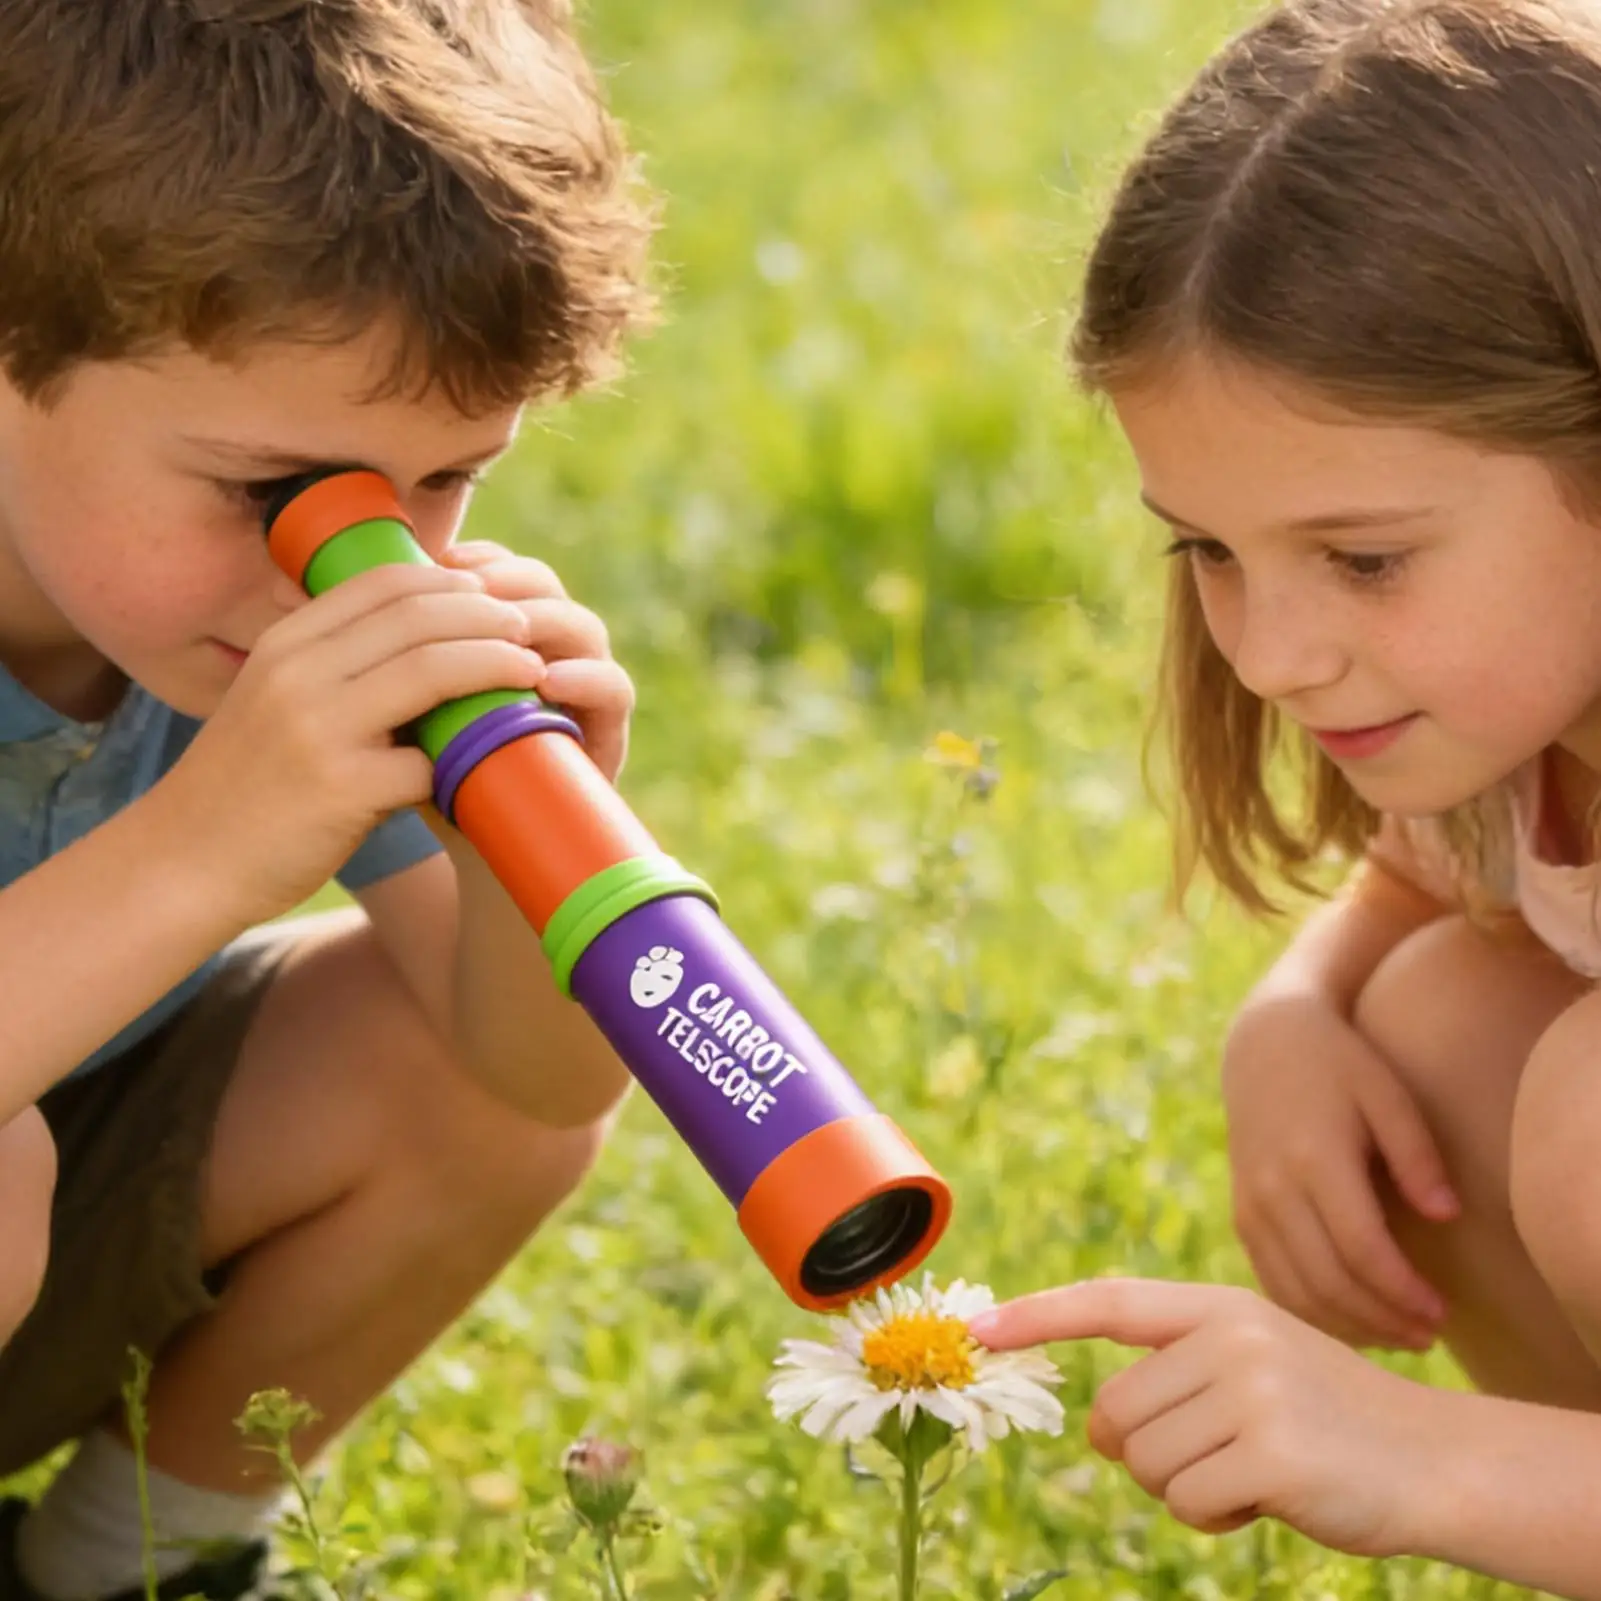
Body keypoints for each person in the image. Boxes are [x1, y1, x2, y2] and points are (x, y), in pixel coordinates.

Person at [0, 2, 654, 1597]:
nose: (364, 563)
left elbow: (540, 1088)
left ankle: (119, 1573)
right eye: (269, 492)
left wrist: (524, 849)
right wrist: (203, 847)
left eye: (447, 478)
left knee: (452, 1059)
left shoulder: (238, 616)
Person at [967, 0, 1601, 1595]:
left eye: (1365, 560)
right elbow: (1413, 886)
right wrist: (1291, 1017)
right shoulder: (1529, 734)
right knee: (1437, 1021)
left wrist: (1421, 1456)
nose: (1268, 655)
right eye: (1208, 550)